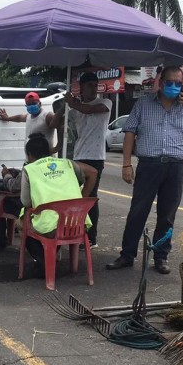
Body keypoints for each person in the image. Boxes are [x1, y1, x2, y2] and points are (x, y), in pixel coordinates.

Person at [106, 66, 183, 274]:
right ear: (161, 83)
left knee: (167, 215)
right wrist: (126, 164)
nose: (174, 87)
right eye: (169, 83)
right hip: (148, 165)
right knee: (138, 211)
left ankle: (161, 257)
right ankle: (127, 255)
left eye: (178, 83)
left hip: (175, 167)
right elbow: (130, 133)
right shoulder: (144, 104)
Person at [20, 135, 98, 275]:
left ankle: (43, 261)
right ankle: (50, 258)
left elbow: (26, 202)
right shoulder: (67, 164)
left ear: (29, 155)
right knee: (43, 223)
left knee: (21, 223)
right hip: (78, 225)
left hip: (51, 228)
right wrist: (80, 200)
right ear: (48, 151)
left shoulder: (29, 170)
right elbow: (92, 172)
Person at [58, 72, 112, 247]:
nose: (93, 89)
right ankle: (71, 230)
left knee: (90, 198)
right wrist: (64, 106)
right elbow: (58, 123)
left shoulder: (105, 103)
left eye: (95, 86)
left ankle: (90, 237)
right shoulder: (74, 110)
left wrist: (73, 102)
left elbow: (89, 110)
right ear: (81, 87)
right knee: (71, 195)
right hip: (78, 156)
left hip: (95, 157)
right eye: (89, 85)